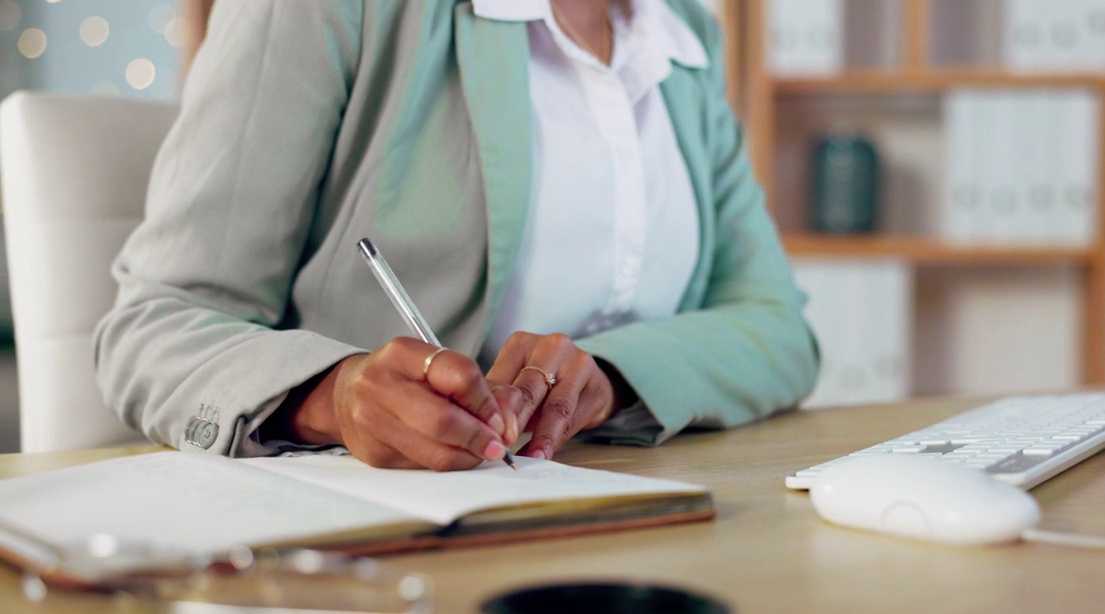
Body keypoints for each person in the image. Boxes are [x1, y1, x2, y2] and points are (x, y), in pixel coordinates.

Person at [94, 0, 819, 470]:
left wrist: (605, 377)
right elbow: (151, 329)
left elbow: (778, 328)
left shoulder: (683, 35)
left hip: (633, 520)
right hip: (378, 541)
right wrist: (335, 396)